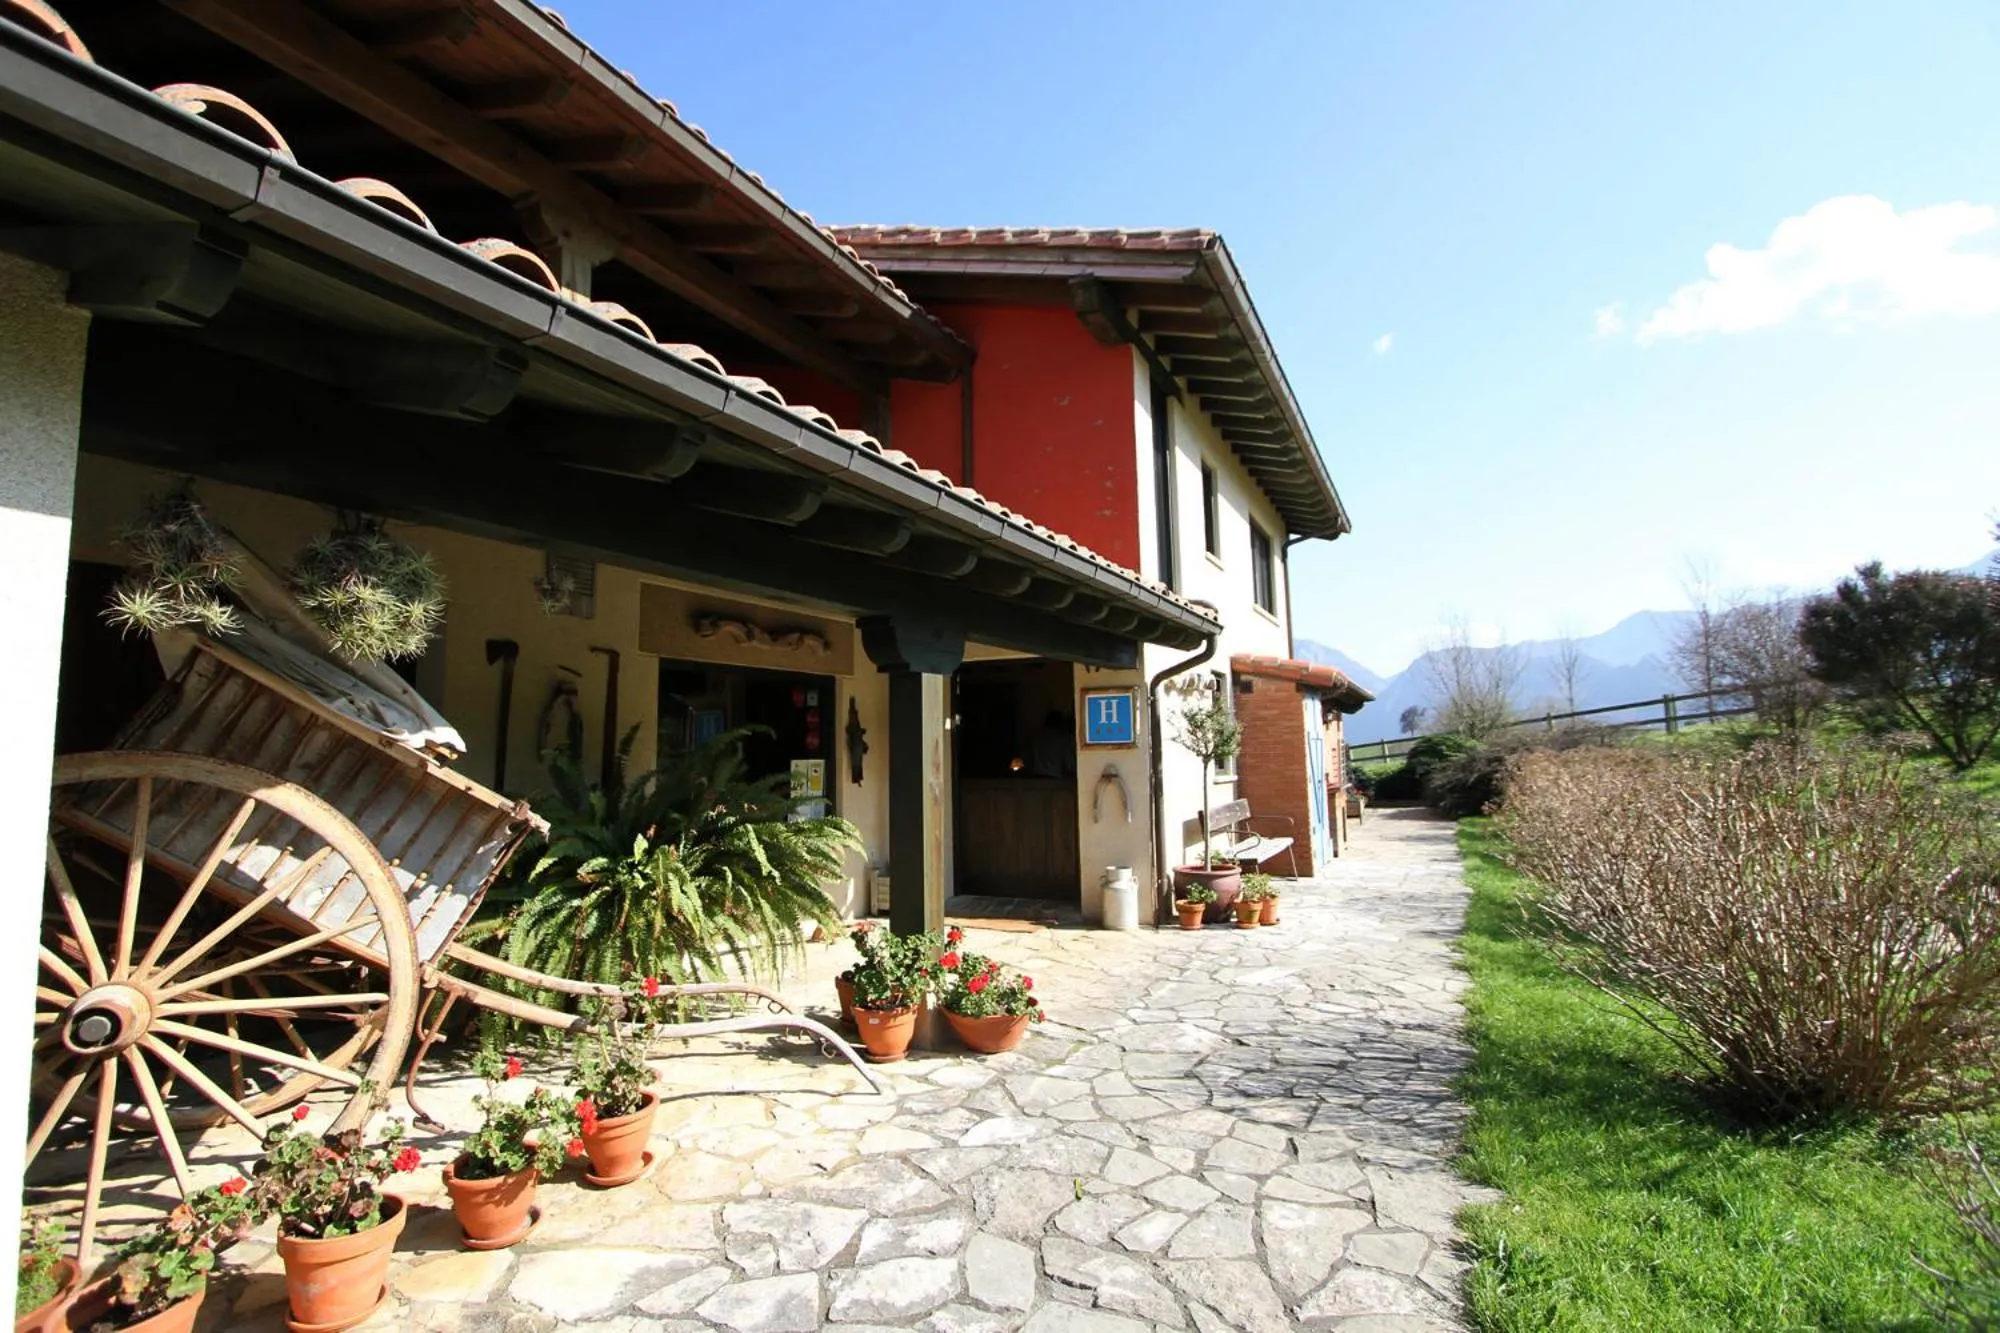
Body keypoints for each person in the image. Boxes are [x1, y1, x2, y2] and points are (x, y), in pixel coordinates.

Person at [1028, 710, 1075, 778]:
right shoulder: (1062, 739)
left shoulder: (1035, 737)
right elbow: (1070, 764)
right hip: (1053, 778)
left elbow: (1027, 759)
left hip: (1035, 777)